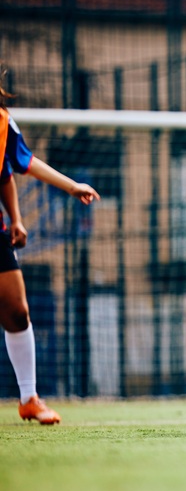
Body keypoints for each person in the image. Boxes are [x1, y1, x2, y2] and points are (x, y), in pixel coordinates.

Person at [1, 68, 100, 424]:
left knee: (17, 312)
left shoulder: (1, 122)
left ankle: (29, 398)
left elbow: (14, 167)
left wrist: (16, 217)